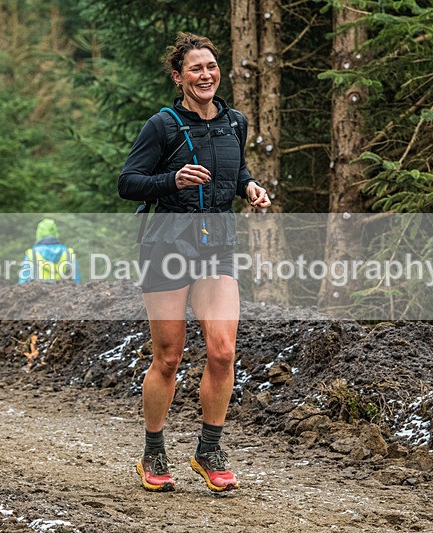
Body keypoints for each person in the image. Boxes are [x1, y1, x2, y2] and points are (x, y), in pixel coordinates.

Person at [118, 32, 271, 493]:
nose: (206, 75)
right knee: (168, 357)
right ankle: (152, 450)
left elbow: (235, 170)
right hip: (167, 244)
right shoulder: (162, 126)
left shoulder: (235, 122)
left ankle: (209, 450)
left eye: (211, 67)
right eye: (195, 69)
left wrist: (249, 187)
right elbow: (129, 182)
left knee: (223, 351)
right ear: (178, 77)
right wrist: (173, 179)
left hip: (217, 244)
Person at [18, 218, 81, 284]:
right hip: (65, 289)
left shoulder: (32, 253)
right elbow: (76, 281)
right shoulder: (69, 253)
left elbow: (23, 281)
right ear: (56, 233)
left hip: (38, 290)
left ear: (38, 233)